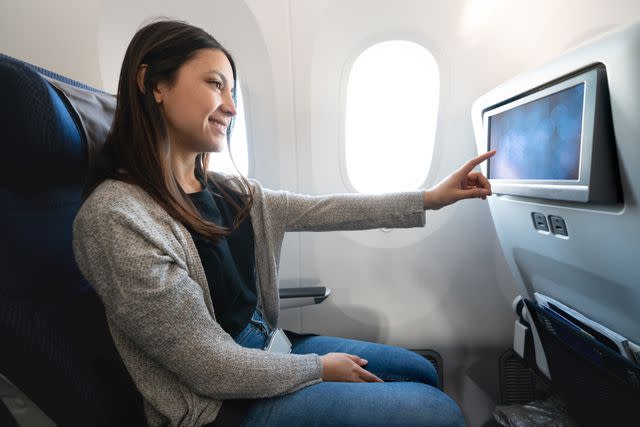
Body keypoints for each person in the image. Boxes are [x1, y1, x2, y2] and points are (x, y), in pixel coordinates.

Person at [72, 19, 495, 427]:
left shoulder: (227, 192)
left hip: (269, 349)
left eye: (233, 91)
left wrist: (431, 199)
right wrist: (317, 369)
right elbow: (208, 369)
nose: (232, 107)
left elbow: (326, 209)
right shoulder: (117, 217)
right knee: (439, 414)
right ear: (154, 84)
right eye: (215, 84)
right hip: (218, 406)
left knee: (420, 371)